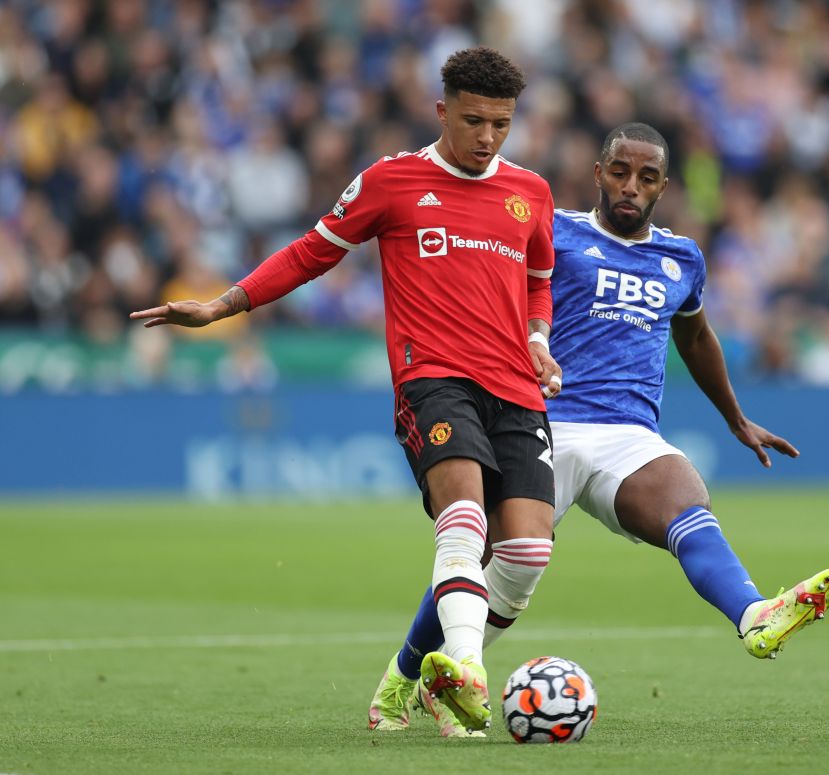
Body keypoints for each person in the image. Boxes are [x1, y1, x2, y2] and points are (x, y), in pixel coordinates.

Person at [131, 47, 564, 734]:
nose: (487, 138)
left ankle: (414, 675)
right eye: (475, 121)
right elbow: (312, 251)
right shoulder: (391, 182)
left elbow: (540, 279)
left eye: (502, 125)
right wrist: (224, 304)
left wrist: (539, 340)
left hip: (517, 385)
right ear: (442, 110)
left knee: (526, 552)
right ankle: (467, 672)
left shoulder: (531, 192)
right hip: (434, 378)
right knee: (465, 520)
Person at [368, 122, 829, 738]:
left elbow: (695, 337)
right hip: (540, 420)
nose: (630, 186)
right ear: (598, 172)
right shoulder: (554, 231)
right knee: (491, 563)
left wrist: (735, 418)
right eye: (619, 171)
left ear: (663, 187)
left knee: (686, 498)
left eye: (646, 178)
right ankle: (406, 678)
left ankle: (754, 616)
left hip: (629, 434)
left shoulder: (681, 258)